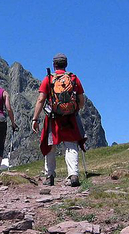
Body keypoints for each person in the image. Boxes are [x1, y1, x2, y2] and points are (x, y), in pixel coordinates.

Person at [32, 53, 87, 187]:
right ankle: (73, 174)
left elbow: (41, 99)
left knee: (50, 145)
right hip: (70, 117)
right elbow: (81, 100)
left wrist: (35, 119)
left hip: (53, 118)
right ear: (66, 64)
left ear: (54, 64)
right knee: (71, 145)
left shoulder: (48, 79)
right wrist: (75, 109)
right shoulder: (73, 78)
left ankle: (49, 176)